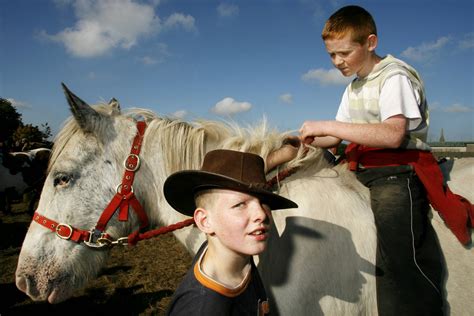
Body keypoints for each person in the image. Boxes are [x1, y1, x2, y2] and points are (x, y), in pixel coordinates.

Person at [295, 5, 446, 316]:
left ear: (371, 42)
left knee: (398, 247)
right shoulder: (355, 87)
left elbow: (393, 134)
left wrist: (327, 126)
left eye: (344, 53)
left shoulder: (394, 76)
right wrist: (299, 142)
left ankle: (417, 306)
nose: (337, 62)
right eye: (331, 55)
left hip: (397, 170)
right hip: (363, 167)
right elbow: (334, 139)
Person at [163, 149, 298, 315]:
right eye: (240, 205)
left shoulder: (234, 252)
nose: (261, 214)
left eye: (264, 202)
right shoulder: (201, 308)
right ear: (205, 221)